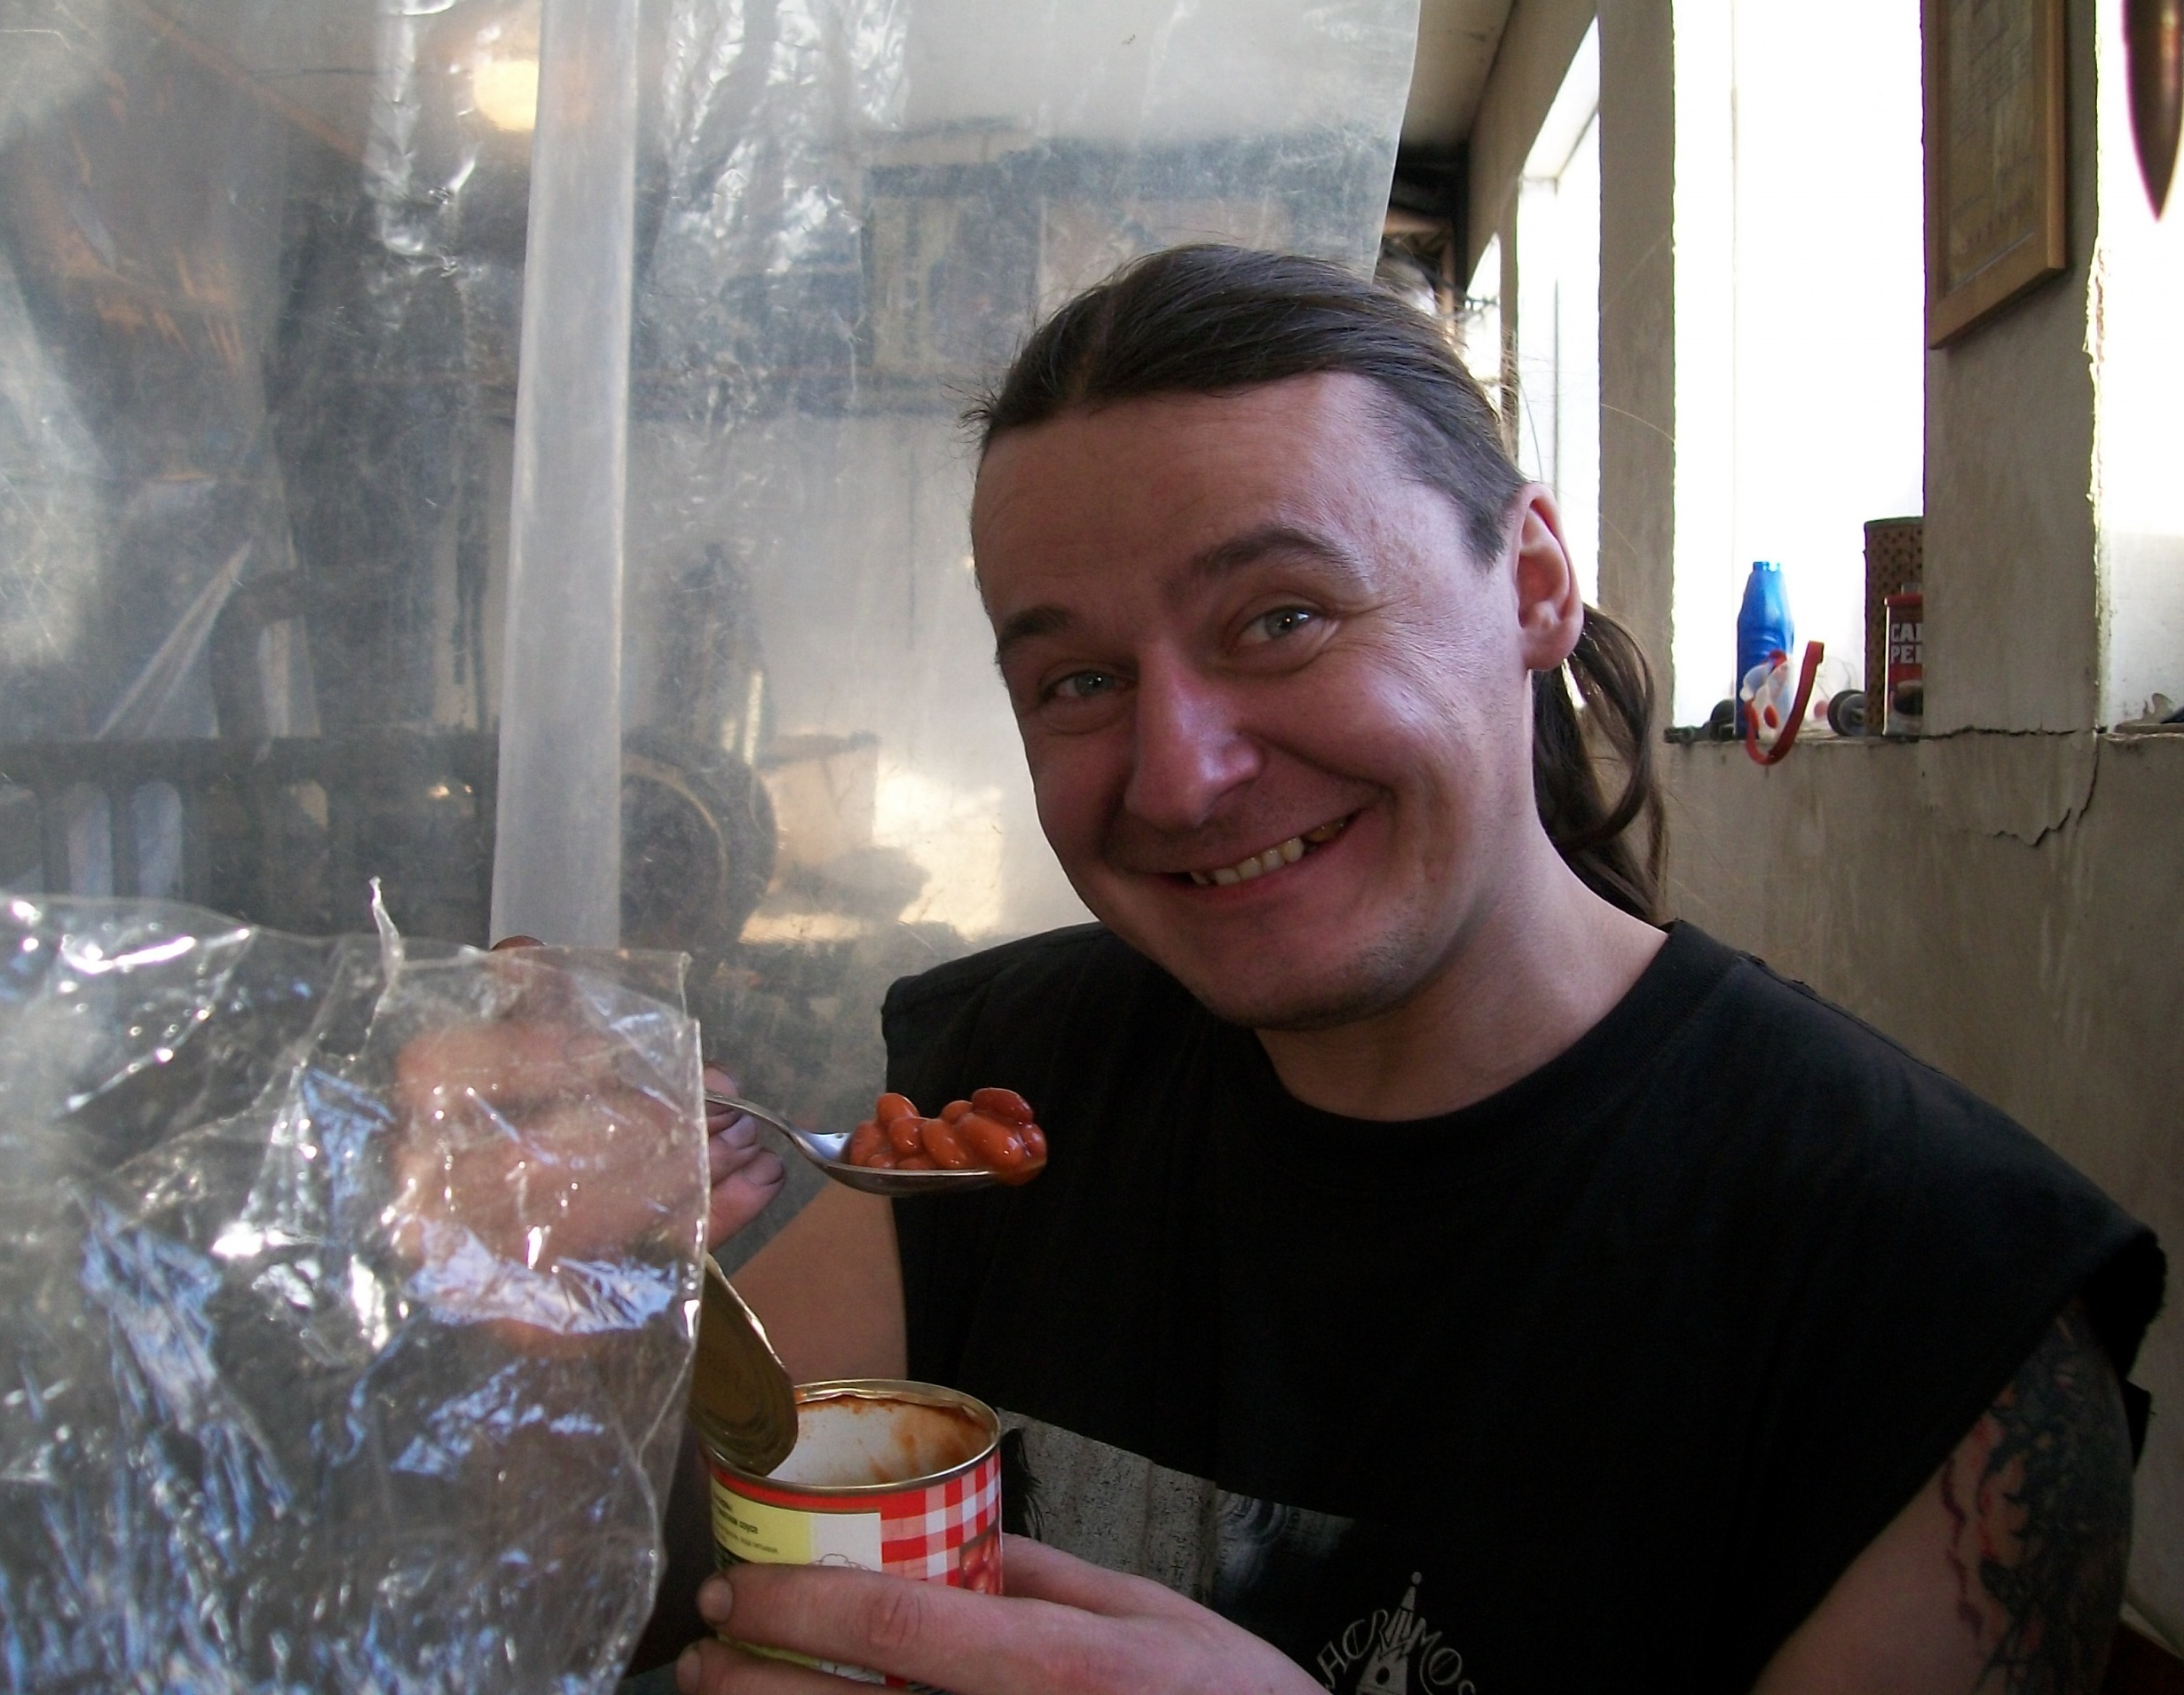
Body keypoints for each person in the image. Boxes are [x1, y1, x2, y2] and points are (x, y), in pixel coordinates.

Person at [682, 247, 2164, 1694]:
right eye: (1079, 680)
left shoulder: (1931, 1308)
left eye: (1283, 618)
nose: (1180, 778)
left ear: (1532, 584)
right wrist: (584, 1296)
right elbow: (661, 1549)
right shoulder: (1005, 1096)